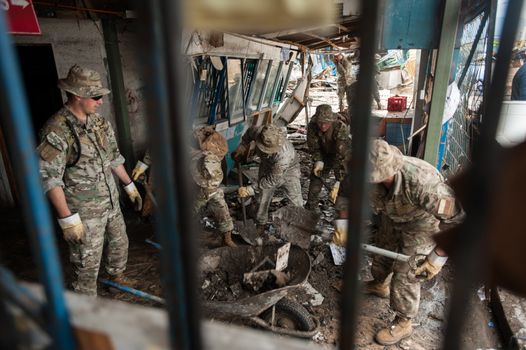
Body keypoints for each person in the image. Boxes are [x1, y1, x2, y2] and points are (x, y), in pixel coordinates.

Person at [333, 139, 464, 345]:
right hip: (391, 215)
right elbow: (346, 193)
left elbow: (456, 222)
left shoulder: (424, 184)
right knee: (382, 252)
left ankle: (404, 321)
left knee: (408, 271)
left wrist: (436, 258)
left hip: (422, 222)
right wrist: (342, 224)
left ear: (387, 171)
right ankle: (379, 284)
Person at [37, 65, 142, 297]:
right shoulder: (56, 130)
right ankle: (86, 304)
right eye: (96, 97)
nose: (101, 102)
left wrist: (129, 186)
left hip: (111, 203)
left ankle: (116, 276)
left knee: (119, 243)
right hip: (84, 212)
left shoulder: (99, 124)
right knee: (86, 261)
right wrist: (68, 220)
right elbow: (48, 177)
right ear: (77, 95)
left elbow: (113, 158)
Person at [232, 125, 303, 234]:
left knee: (296, 201)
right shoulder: (258, 132)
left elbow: (271, 181)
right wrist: (241, 147)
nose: (266, 152)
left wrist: (250, 189)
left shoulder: (284, 155)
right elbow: (248, 134)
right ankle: (260, 223)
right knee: (262, 198)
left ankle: (299, 228)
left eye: (269, 150)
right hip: (267, 165)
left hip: (290, 170)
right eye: (263, 148)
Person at [190, 128, 236, 247]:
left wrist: (211, 189)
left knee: (221, 207)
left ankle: (227, 238)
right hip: (193, 184)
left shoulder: (216, 143)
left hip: (210, 185)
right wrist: (142, 166)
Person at [306, 104, 351, 211]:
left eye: (326, 123)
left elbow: (342, 155)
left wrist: (339, 180)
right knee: (316, 178)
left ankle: (343, 209)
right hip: (323, 152)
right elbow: (314, 147)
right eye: (320, 122)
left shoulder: (340, 127)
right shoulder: (312, 126)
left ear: (331, 121)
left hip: (340, 154)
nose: (323, 126)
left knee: (344, 183)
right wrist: (319, 161)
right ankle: (311, 207)